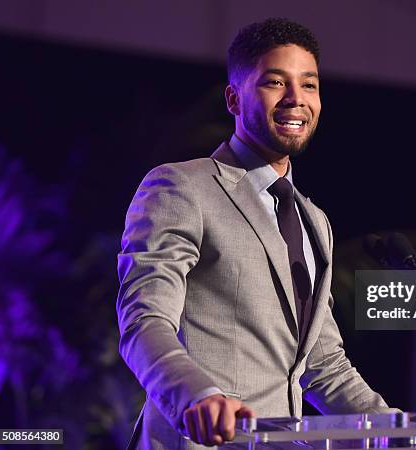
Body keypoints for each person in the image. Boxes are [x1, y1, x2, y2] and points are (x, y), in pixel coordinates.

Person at [117, 17, 394, 450]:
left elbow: (322, 362)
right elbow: (144, 320)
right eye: (275, 83)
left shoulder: (314, 221)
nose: (295, 99)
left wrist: (398, 431)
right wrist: (199, 396)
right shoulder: (182, 187)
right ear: (233, 98)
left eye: (309, 85)